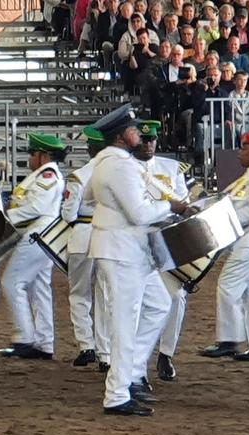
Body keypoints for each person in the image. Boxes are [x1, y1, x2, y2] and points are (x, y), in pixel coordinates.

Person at [88, 104, 187, 416]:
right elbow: (140, 213)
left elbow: (91, 198)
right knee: (124, 322)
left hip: (128, 250)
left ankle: (130, 373)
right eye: (133, 129)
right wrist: (171, 207)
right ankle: (117, 394)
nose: (139, 134)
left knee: (160, 304)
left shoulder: (109, 162)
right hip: (123, 251)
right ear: (121, 136)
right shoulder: (119, 166)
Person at [199, 133, 249, 361]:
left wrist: (221, 221)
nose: (239, 153)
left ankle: (229, 340)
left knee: (228, 284)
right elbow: (226, 200)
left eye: (245, 149)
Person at [130, 120, 190, 382]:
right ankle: (132, 364)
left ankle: (166, 353)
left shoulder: (171, 168)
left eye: (152, 140)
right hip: (136, 241)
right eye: (144, 140)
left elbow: (184, 202)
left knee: (176, 297)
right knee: (133, 304)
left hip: (166, 241)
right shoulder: (126, 169)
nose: (148, 145)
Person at [0, 133, 65, 360]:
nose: (29, 158)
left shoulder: (47, 175)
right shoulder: (43, 175)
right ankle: (44, 343)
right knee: (40, 288)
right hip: (43, 235)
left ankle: (24, 337)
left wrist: (7, 216)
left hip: (37, 233)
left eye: (32, 154)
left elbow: (37, 207)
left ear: (43, 156)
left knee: (11, 281)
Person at [60, 125, 107, 369]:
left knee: (79, 293)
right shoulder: (114, 173)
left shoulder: (79, 175)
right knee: (104, 295)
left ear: (89, 148)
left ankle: (86, 345)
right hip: (106, 236)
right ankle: (105, 353)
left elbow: (68, 214)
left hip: (81, 235)